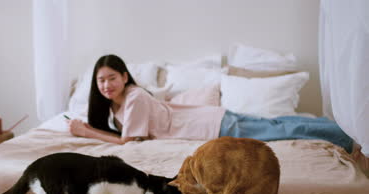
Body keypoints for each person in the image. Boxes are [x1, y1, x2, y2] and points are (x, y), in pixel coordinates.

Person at [67, 54, 354, 153]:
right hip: (212, 120)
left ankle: (346, 135)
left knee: (281, 130)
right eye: (101, 81)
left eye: (112, 78)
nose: (106, 85)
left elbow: (129, 141)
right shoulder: (115, 106)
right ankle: (341, 129)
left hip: (212, 126)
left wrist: (86, 133)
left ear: (125, 76)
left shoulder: (135, 97)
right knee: (278, 125)